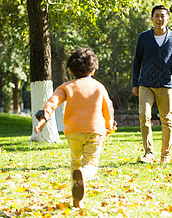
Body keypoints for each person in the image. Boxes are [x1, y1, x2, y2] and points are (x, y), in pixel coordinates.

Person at [34, 48, 116, 208]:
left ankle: (77, 200)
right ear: (93, 69)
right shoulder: (99, 87)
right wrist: (109, 124)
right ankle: (83, 177)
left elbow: (52, 102)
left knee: (75, 162)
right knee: (90, 164)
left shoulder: (66, 87)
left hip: (73, 131)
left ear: (71, 70)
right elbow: (108, 108)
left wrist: (43, 117)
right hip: (95, 131)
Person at [132, 5, 172, 164]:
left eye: (163, 16)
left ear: (167, 18)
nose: (159, 19)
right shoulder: (143, 37)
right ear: (152, 18)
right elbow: (137, 61)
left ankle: (165, 155)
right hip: (145, 84)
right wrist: (135, 83)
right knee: (144, 116)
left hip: (166, 85)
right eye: (157, 16)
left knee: (167, 120)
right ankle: (149, 153)